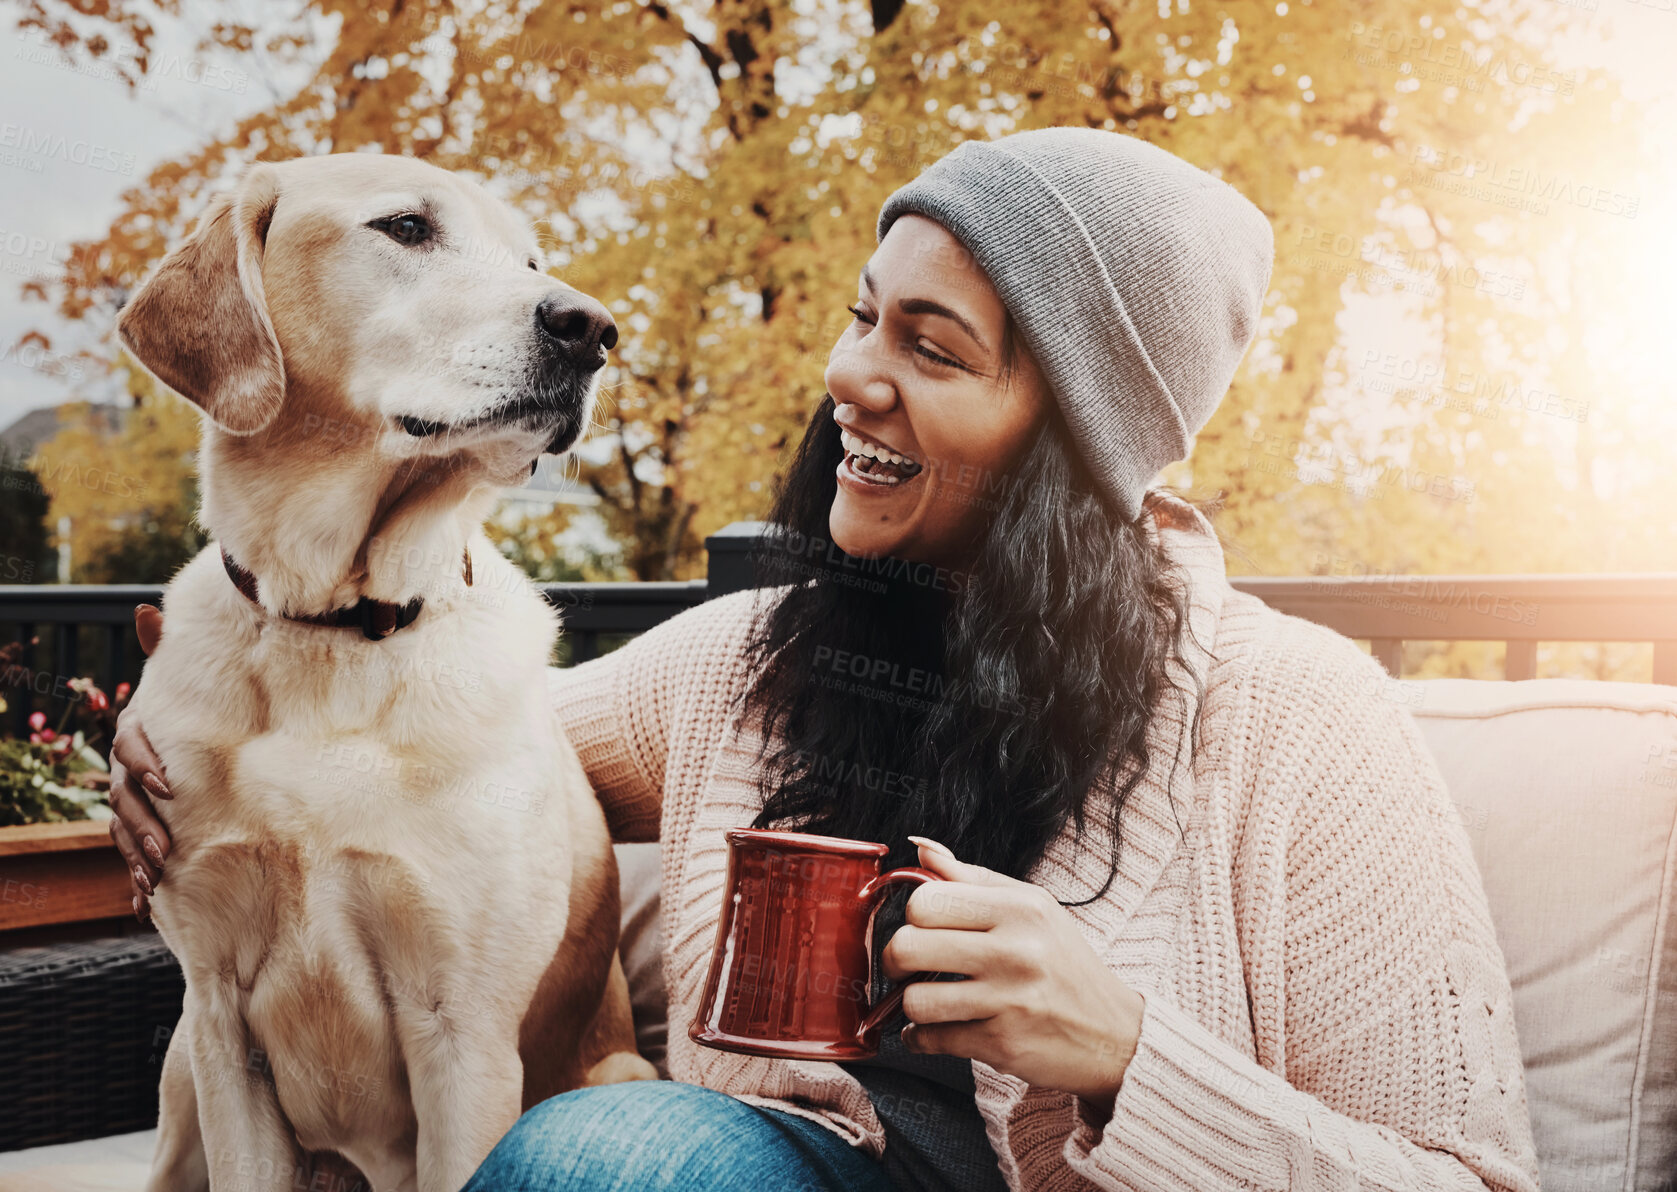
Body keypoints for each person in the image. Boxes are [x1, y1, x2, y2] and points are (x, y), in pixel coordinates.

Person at [108, 128, 1541, 1192]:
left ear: (1074, 439)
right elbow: (431, 742)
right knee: (616, 1156)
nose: (852, 376)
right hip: (784, 1165)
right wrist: (193, 745)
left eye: (932, 346)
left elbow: (1468, 1178)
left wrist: (1123, 1052)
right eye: (864, 315)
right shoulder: (743, 665)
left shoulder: (1303, 719)